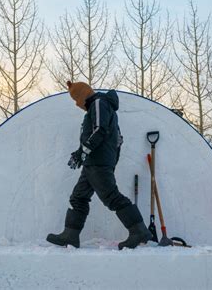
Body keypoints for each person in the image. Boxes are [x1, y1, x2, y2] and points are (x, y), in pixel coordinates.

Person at [46, 81, 152, 250]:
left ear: (82, 96)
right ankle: (70, 235)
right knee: (78, 197)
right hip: (94, 161)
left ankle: (138, 230)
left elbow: (99, 130)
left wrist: (86, 153)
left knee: (111, 197)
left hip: (98, 162)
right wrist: (80, 153)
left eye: (77, 100)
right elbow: (116, 139)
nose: (78, 105)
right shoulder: (101, 105)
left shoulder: (98, 103)